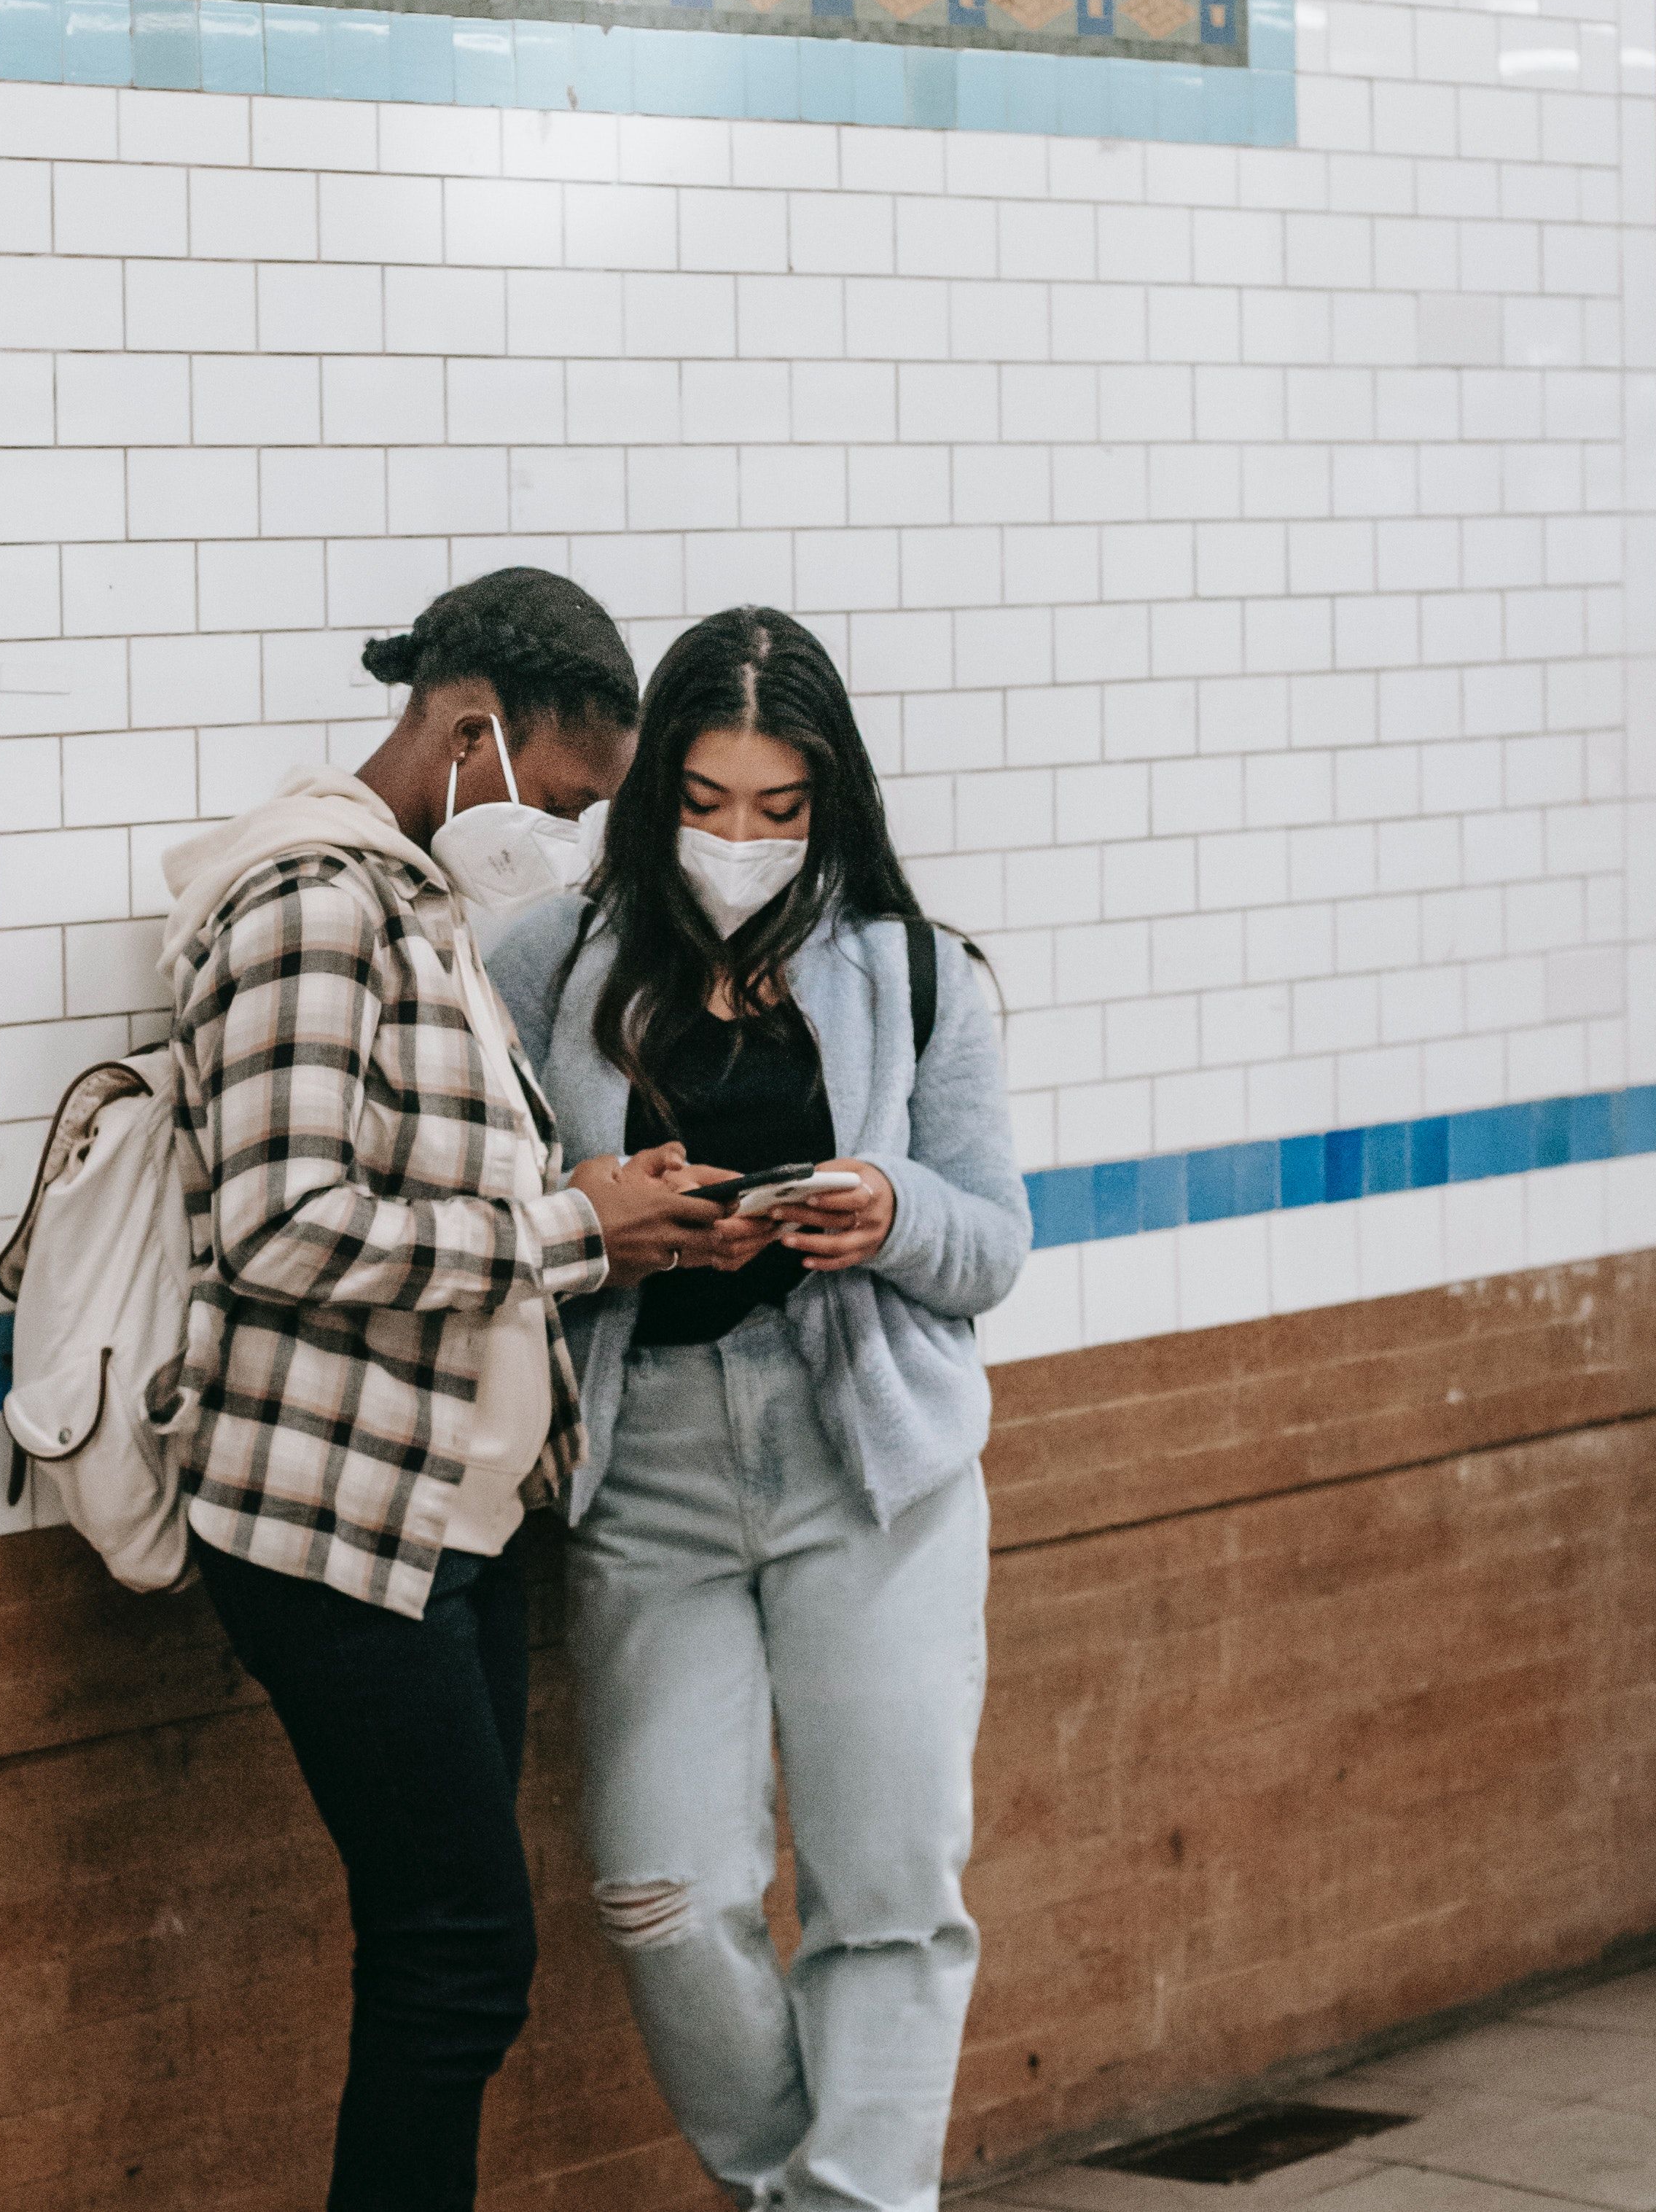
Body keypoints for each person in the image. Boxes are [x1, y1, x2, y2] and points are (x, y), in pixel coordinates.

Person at [159, 568, 716, 2212]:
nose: (564, 833)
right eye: (560, 793)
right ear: (472, 724)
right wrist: (566, 1221)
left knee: (446, 1961)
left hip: (441, 1520)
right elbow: (279, 1220)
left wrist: (616, 1231)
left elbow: (438, 1213)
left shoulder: (415, 906)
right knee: (461, 1956)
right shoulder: (311, 902)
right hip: (336, 1527)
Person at [490, 604, 1033, 2212]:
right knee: (666, 1886)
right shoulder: (545, 964)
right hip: (645, 1457)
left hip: (868, 1458)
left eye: (779, 810)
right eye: (706, 800)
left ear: (831, 803)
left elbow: (992, 1240)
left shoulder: (920, 970)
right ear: (656, 789)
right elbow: (507, 1208)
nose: (738, 838)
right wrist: (603, 1211)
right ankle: (799, 2188)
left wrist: (885, 1204)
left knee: (889, 1886)